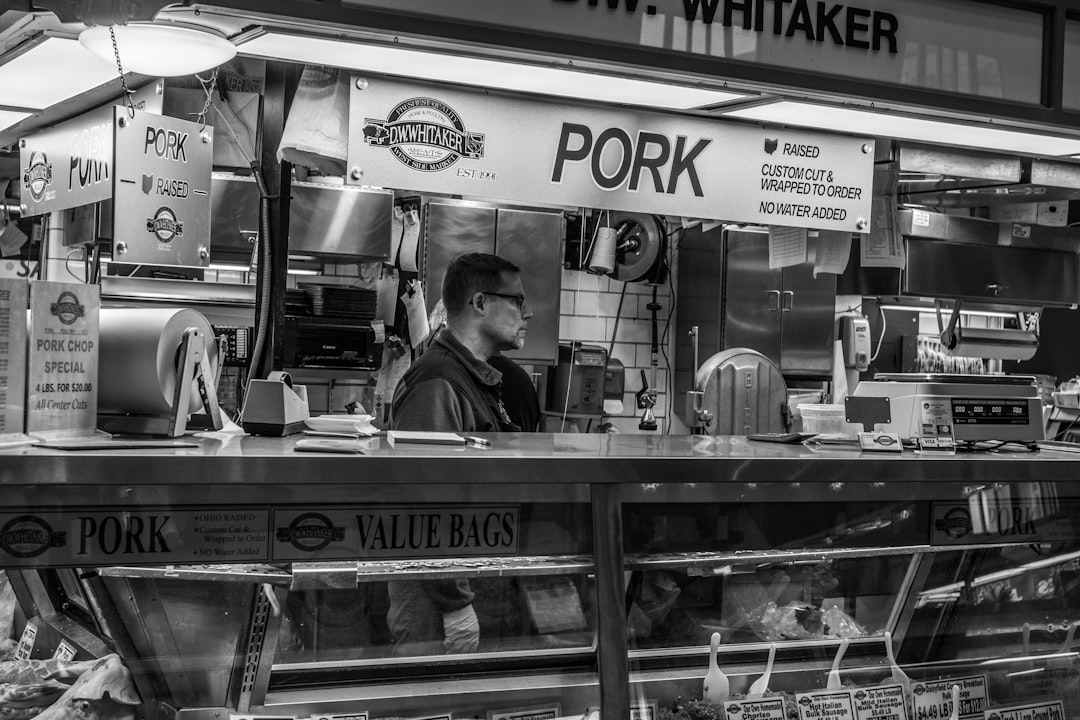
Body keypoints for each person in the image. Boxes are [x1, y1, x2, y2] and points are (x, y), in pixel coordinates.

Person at [386, 253, 534, 656]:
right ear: (480, 303)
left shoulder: (473, 379)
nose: (529, 312)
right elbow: (424, 503)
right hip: (434, 609)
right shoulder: (438, 382)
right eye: (518, 301)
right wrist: (455, 604)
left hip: (463, 589)